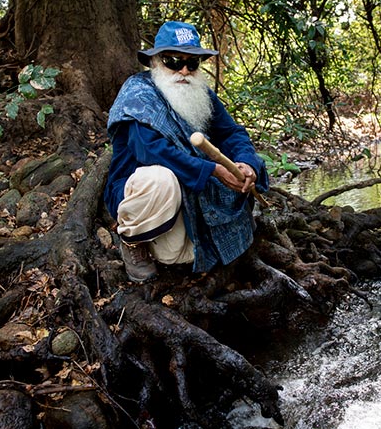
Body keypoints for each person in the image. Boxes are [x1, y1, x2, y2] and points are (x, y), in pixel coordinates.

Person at [103, 21, 269, 283]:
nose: (183, 70)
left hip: (190, 196)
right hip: (148, 194)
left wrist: (246, 163)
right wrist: (213, 170)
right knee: (159, 179)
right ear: (156, 61)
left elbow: (231, 133)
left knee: (181, 257)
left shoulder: (200, 93)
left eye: (191, 64)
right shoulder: (137, 94)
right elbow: (151, 150)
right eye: (172, 61)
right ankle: (133, 240)